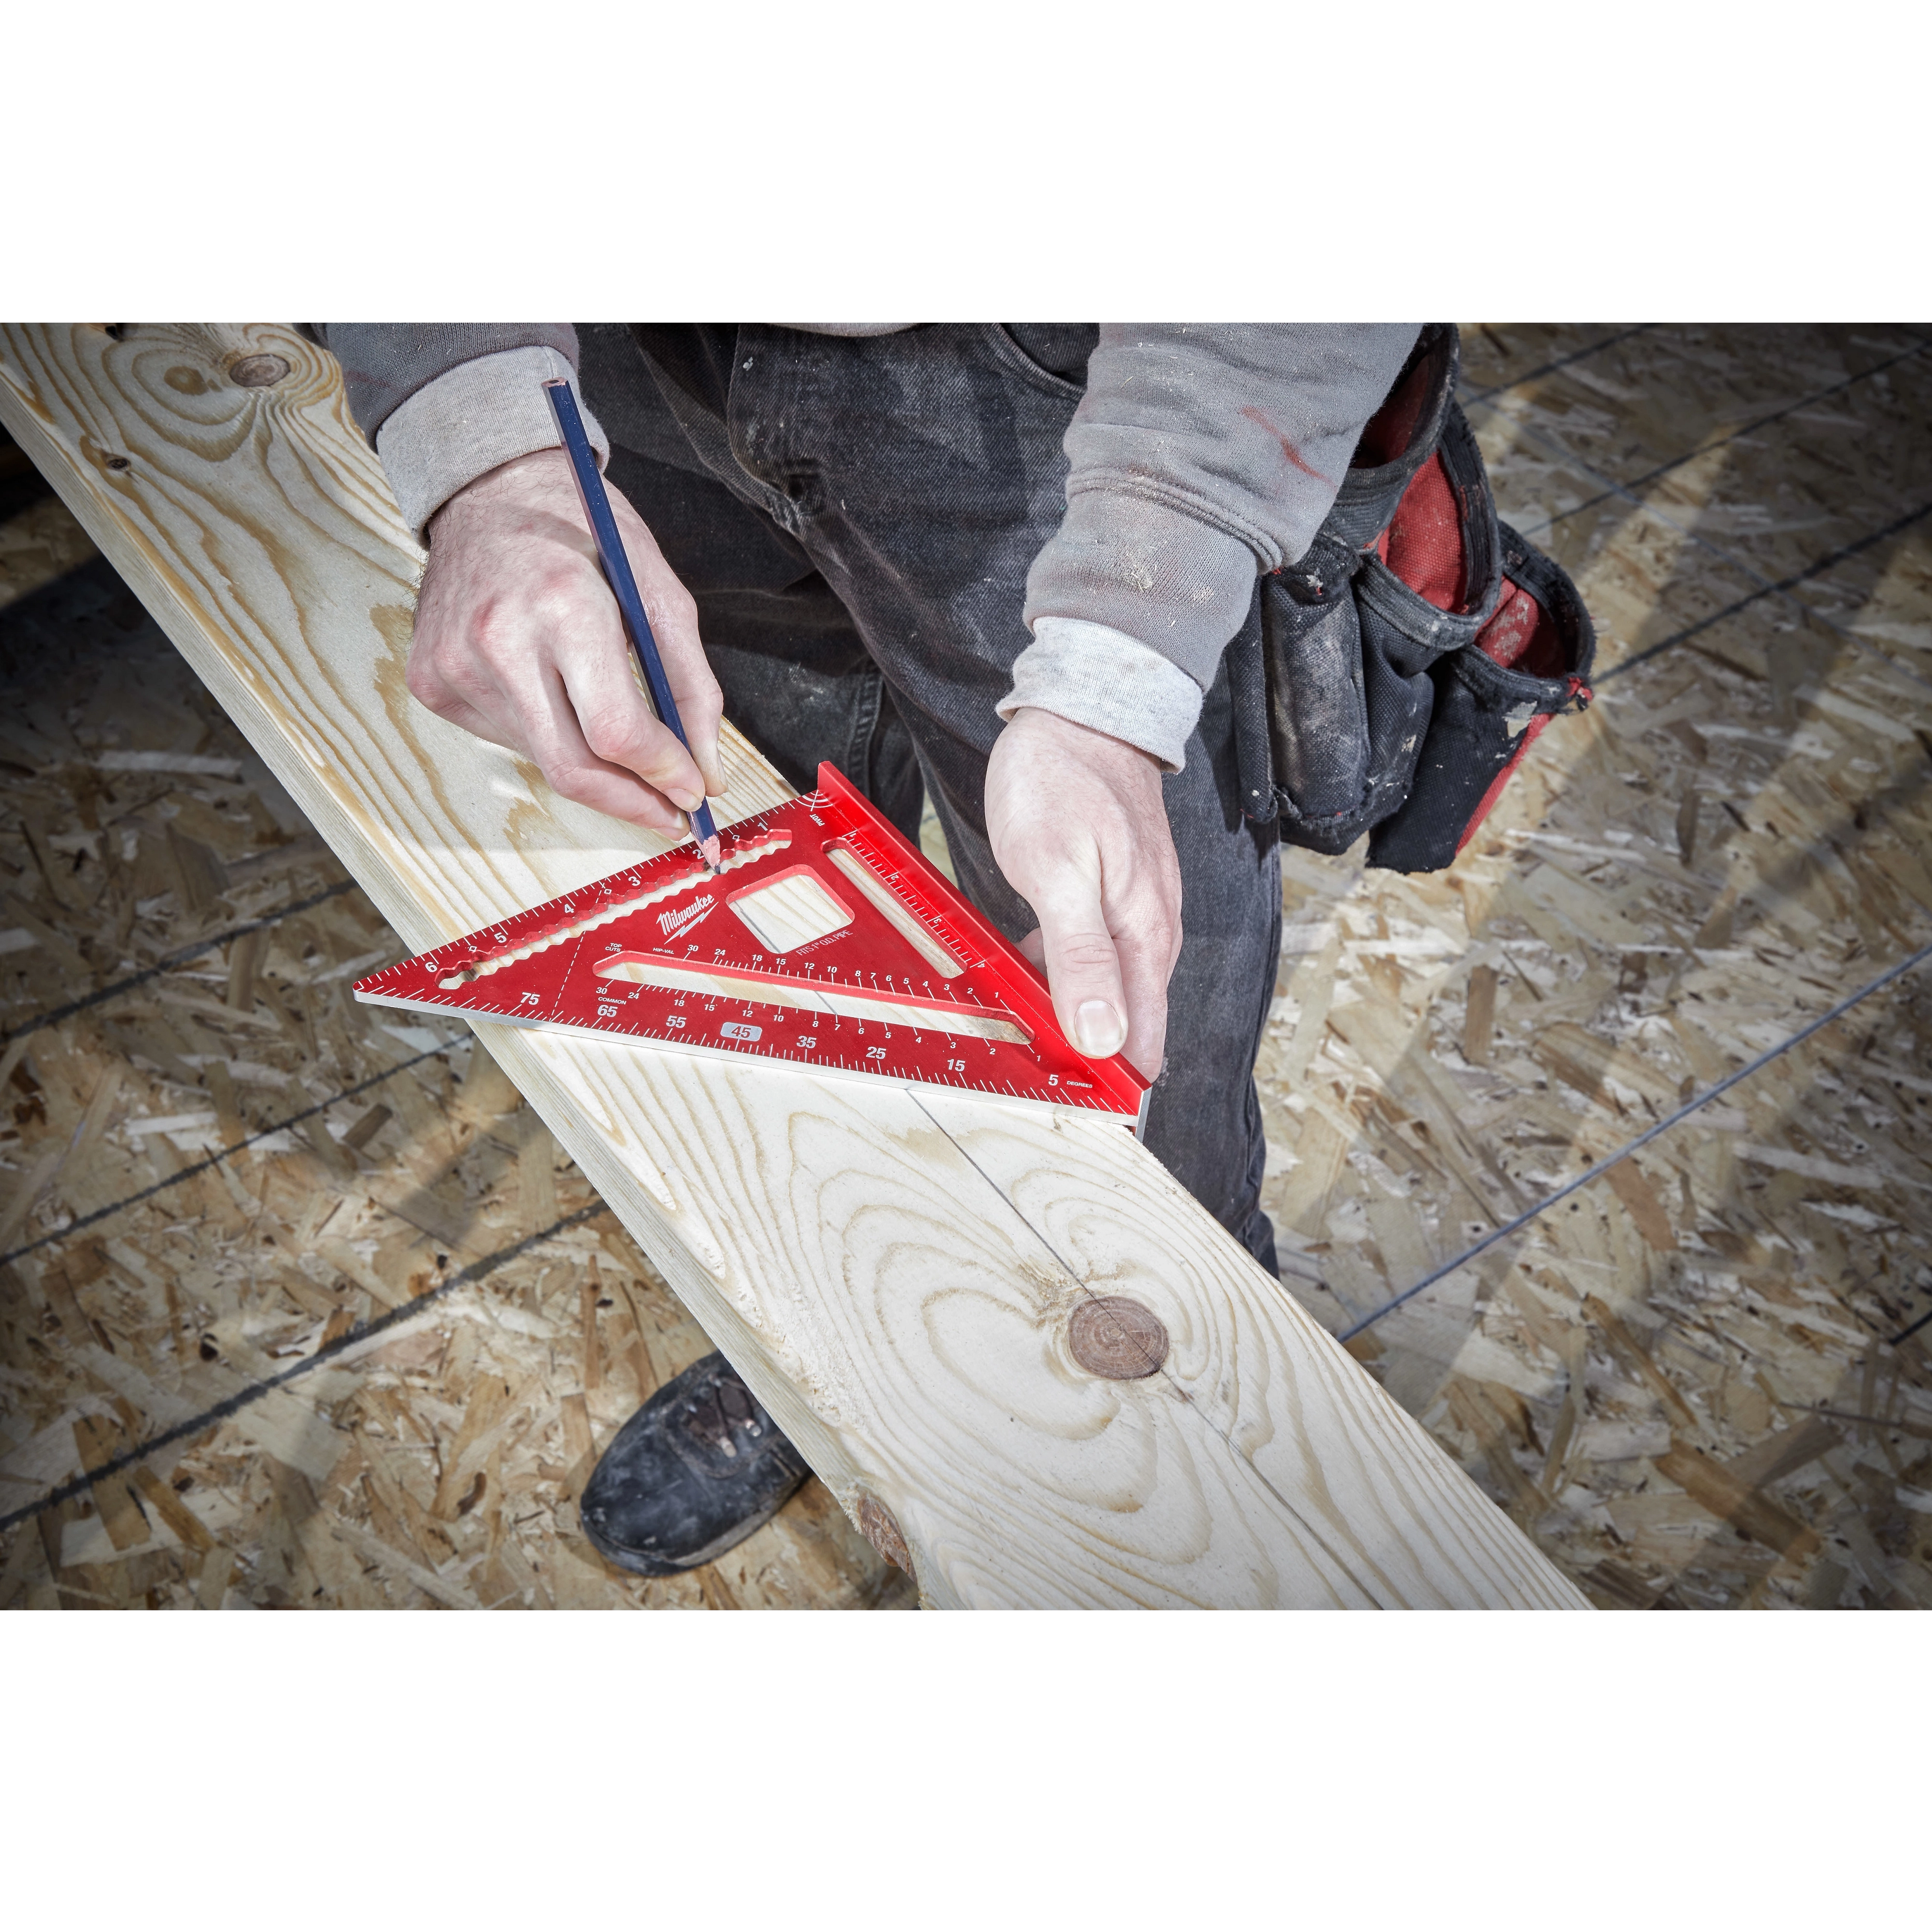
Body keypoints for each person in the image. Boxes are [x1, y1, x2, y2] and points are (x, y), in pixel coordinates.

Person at [312, 320, 1421, 1576]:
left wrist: (1123, 669)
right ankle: (826, 1337)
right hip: (636, 365)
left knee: (1130, 1034)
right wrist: (477, 425)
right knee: (775, 923)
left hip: (1072, 401)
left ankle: (1184, 1417)